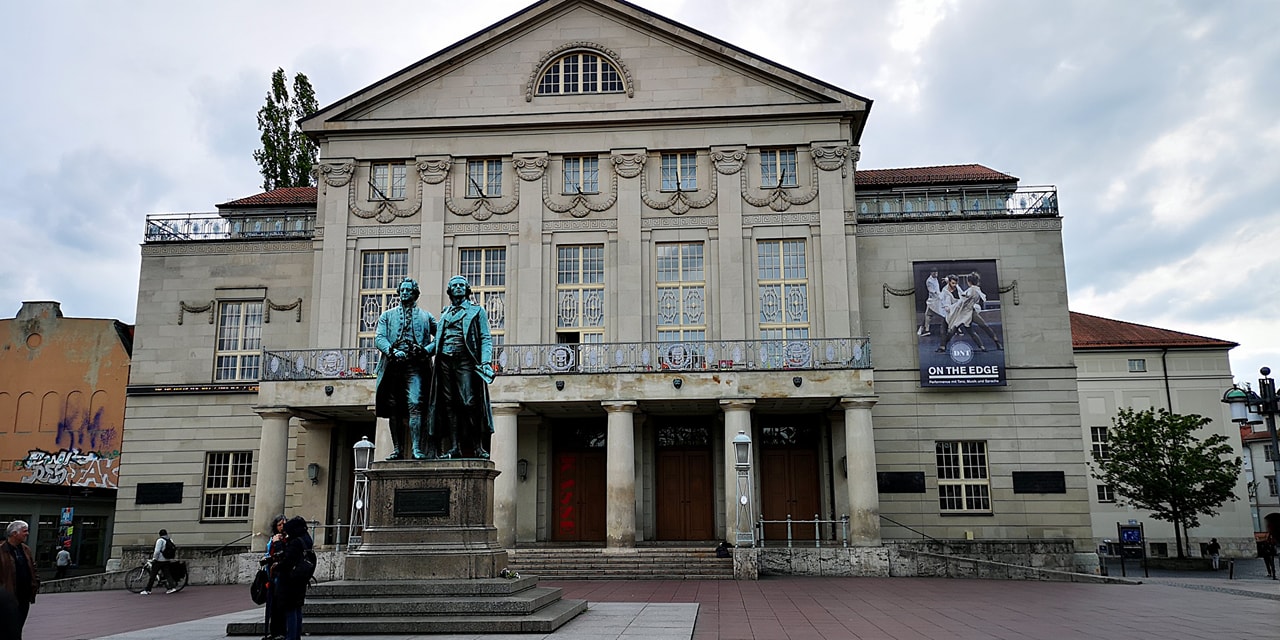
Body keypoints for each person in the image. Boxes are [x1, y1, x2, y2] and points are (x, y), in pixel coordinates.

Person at [427, 275, 496, 459]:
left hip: (465, 360)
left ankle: (477, 446)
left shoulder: (477, 311)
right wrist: (423, 351)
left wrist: (485, 362)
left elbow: (485, 338)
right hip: (444, 362)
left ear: (467, 290)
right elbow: (438, 341)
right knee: (449, 405)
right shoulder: (445, 313)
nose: (458, 287)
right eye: (454, 285)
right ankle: (454, 447)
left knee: (468, 402)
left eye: (461, 285)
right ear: (449, 291)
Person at [374, 278, 437, 460]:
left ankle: (416, 448)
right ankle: (397, 449)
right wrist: (392, 351)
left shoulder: (426, 316)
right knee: (394, 408)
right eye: (402, 290)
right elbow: (379, 338)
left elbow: (440, 337)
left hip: (416, 366)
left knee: (415, 403)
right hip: (393, 366)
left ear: (415, 293)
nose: (405, 293)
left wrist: (426, 350)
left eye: (409, 290)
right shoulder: (387, 316)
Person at [937, 272, 1002, 353]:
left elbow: (961, 300)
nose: (954, 285)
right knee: (973, 329)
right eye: (952, 283)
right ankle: (988, 345)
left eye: (955, 283)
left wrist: (950, 308)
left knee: (955, 329)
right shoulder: (975, 290)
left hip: (964, 312)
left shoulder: (969, 290)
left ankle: (943, 346)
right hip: (965, 311)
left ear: (969, 282)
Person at [271, 516, 313, 640]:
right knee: (296, 609)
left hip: (290, 580)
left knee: (290, 610)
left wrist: (278, 544)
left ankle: (291, 637)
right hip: (300, 579)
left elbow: (286, 561)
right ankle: (296, 636)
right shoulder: (306, 539)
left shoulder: (296, 542)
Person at [1, 520, 39, 640]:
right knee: (9, 629)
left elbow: (33, 568)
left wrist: (36, 582)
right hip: (8, 598)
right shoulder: (2, 551)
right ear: (14, 533)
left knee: (18, 627)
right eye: (24, 531)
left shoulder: (26, 549)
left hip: (24, 597)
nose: (27, 533)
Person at [261, 515, 287, 640]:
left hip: (281, 575)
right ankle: (273, 631)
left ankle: (281, 631)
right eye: (279, 524)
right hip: (271, 574)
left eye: (283, 524)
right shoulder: (273, 538)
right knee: (272, 606)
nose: (282, 527)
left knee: (280, 606)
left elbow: (282, 555)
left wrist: (278, 543)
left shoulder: (286, 539)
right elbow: (269, 552)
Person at [140, 528, 176, 595]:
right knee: (167, 574)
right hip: (167, 559)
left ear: (160, 534)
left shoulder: (160, 540)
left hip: (159, 560)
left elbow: (157, 551)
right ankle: (172, 587)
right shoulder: (170, 540)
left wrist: (154, 559)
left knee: (153, 575)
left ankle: (148, 590)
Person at [917, 269, 942, 337]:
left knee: (929, 315)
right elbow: (932, 291)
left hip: (938, 299)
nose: (936, 274)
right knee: (928, 315)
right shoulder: (929, 281)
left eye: (937, 273)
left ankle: (924, 329)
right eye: (934, 273)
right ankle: (925, 329)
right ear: (931, 273)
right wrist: (939, 295)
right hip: (932, 300)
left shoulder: (935, 279)